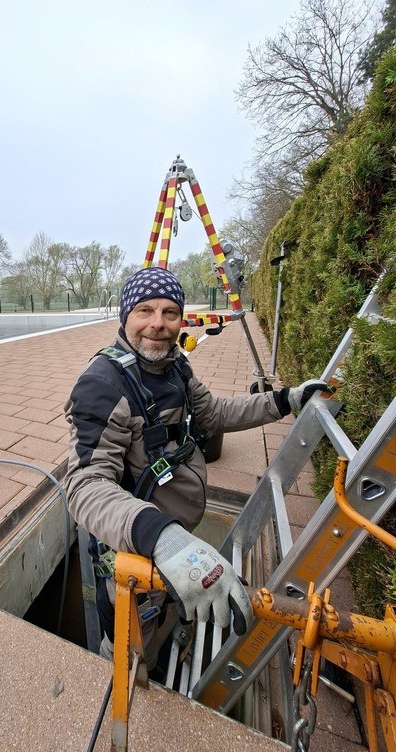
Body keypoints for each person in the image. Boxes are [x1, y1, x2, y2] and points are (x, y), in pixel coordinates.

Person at [63, 267, 328, 672]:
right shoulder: (102, 384)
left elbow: (215, 412)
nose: (158, 324)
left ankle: (168, 634)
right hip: (136, 548)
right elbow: (84, 485)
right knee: (132, 647)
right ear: (124, 316)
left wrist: (285, 400)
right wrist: (162, 538)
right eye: (145, 310)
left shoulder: (174, 367)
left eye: (170, 312)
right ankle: (126, 678)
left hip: (173, 535)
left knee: (167, 611)